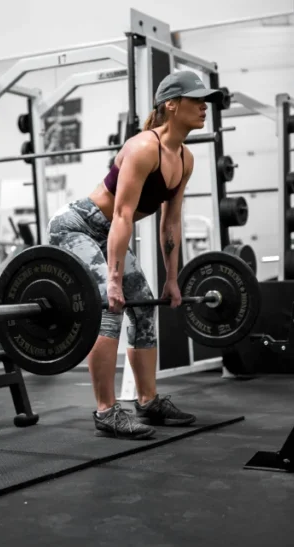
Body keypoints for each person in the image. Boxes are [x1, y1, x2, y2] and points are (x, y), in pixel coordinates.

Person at [47, 70, 224, 439]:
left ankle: (147, 401)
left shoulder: (184, 159)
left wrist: (172, 279)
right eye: (197, 100)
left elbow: (170, 224)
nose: (204, 107)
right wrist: (112, 281)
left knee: (143, 305)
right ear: (171, 105)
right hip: (77, 227)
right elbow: (123, 215)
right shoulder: (145, 147)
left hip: (108, 232)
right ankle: (107, 411)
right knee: (109, 309)